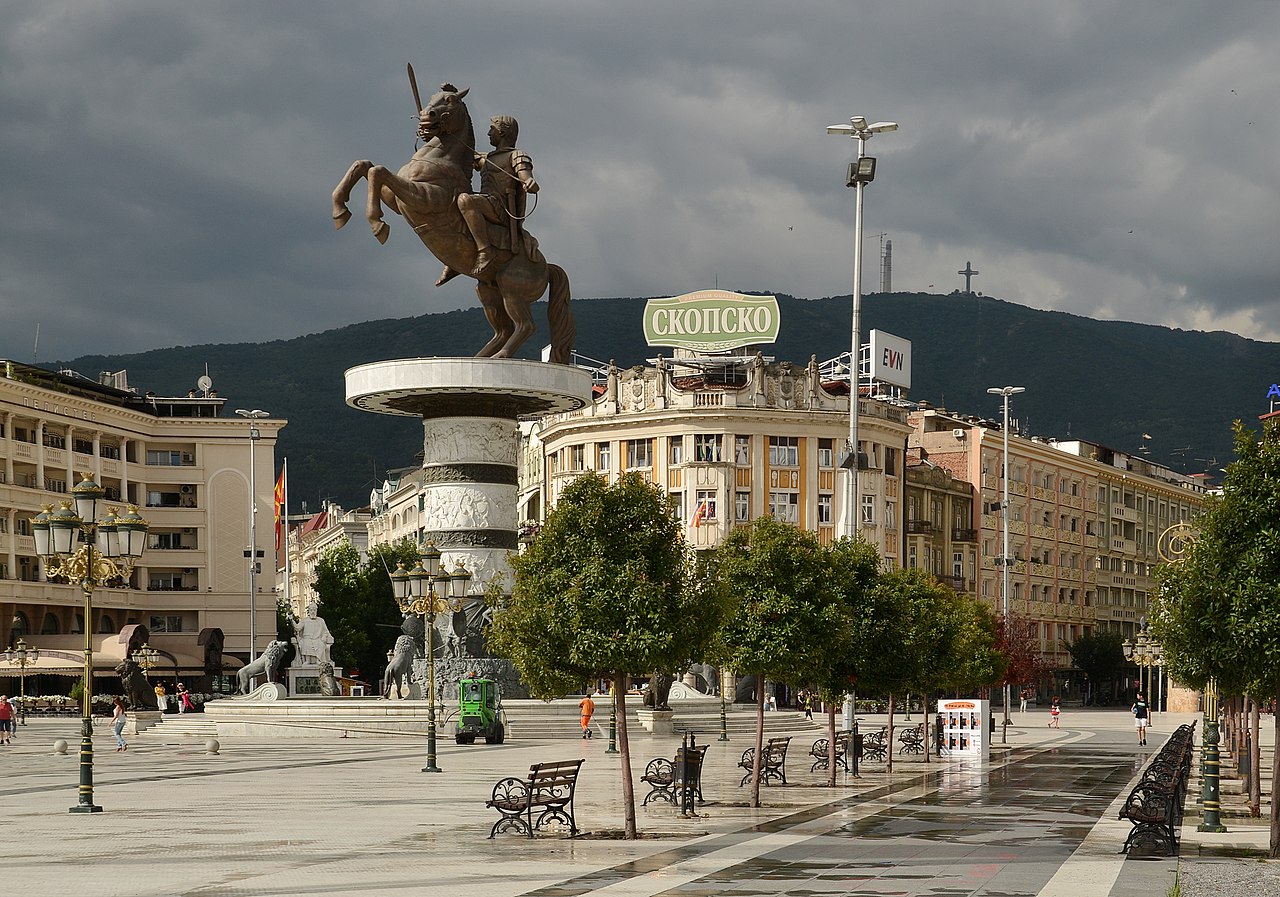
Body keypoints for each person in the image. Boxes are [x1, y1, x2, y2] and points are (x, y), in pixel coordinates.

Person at [457, 115, 539, 277]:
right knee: (454, 201)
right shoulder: (487, 158)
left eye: (492, 129)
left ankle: (485, 250)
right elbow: (460, 150)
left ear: (502, 133)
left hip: (501, 208)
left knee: (465, 200)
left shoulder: (516, 155)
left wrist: (529, 182)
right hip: (486, 203)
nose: (488, 133)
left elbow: (524, 174)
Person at [292, 601, 335, 666]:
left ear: (316, 611)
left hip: (317, 639)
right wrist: (291, 620)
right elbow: (297, 628)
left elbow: (325, 631)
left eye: (314, 610)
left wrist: (324, 636)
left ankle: (318, 660)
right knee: (306, 644)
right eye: (311, 610)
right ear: (309, 611)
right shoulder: (305, 620)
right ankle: (307, 661)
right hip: (307, 639)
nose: (313, 611)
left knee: (320, 644)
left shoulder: (321, 620)